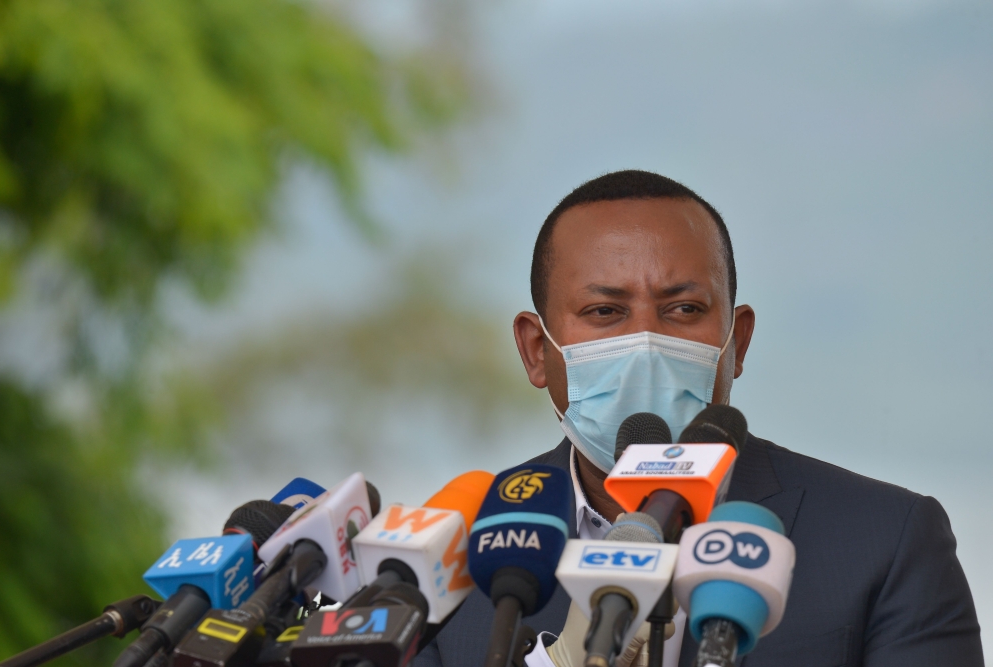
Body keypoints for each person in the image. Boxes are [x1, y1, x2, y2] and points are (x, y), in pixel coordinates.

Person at [412, 170, 984, 667]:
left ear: (738, 342)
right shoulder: (449, 563)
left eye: (684, 309)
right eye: (605, 311)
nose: (646, 341)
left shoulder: (885, 541)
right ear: (537, 350)